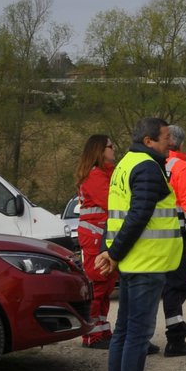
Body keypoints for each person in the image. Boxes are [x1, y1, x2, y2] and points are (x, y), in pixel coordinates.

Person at [95, 116, 182, 371]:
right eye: (165, 137)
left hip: (133, 261)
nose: (170, 142)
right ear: (148, 141)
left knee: (124, 332)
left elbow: (116, 214)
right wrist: (113, 252)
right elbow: (138, 215)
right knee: (137, 335)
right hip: (145, 261)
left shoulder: (125, 164)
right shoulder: (147, 167)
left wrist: (110, 252)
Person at [160, 124, 186, 357]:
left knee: (154, 288)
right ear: (181, 143)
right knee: (175, 288)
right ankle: (175, 338)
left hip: (153, 241)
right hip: (177, 240)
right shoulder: (182, 168)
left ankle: (143, 338)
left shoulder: (151, 164)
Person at [73, 134, 117, 349]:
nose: (113, 150)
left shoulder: (100, 174)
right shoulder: (96, 176)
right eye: (110, 147)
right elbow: (112, 202)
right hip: (95, 239)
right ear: (99, 150)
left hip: (99, 237)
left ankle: (101, 331)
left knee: (105, 287)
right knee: (98, 287)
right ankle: (92, 335)